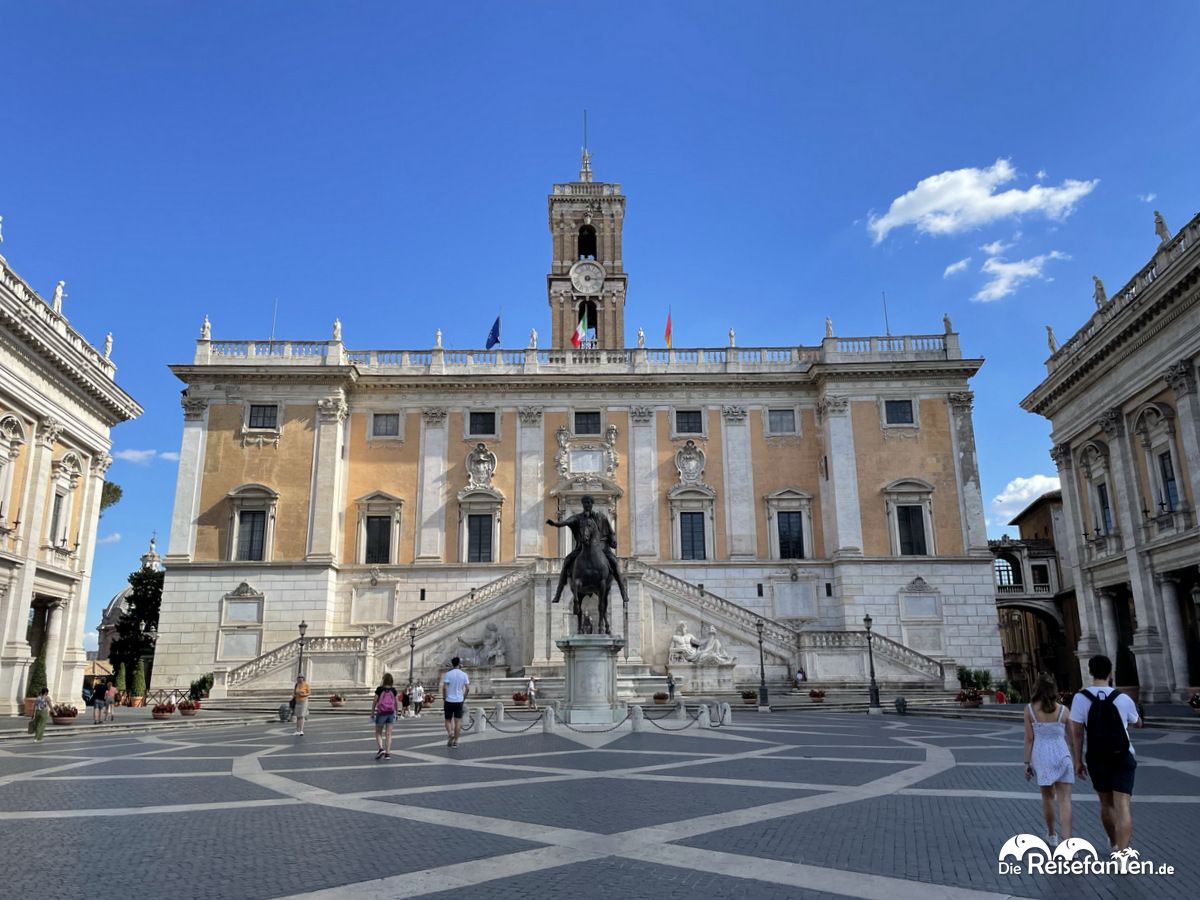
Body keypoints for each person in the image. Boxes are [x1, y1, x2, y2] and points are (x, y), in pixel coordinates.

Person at [1069, 655, 1141, 857]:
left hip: (1097, 757)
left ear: (1090, 672)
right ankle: (1124, 856)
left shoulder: (1080, 698)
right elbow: (1137, 722)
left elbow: (1076, 733)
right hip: (1123, 755)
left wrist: (1077, 760)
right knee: (1123, 805)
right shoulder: (1123, 698)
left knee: (1106, 803)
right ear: (1111, 673)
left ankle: (1115, 844)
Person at [546, 495, 629, 606]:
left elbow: (610, 532)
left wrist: (613, 540)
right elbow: (566, 522)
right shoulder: (578, 518)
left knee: (614, 562)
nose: (587, 505)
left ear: (592, 504)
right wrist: (555, 524)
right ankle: (558, 593)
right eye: (585, 503)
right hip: (582, 547)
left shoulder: (601, 517)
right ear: (583, 504)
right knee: (567, 561)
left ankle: (623, 592)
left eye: (589, 502)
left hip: (602, 547)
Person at [1023, 674, 1075, 848]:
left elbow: (1029, 739)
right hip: (1062, 754)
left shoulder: (1030, 710)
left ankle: (1052, 834)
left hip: (1041, 756)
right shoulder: (1064, 711)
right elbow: (1072, 739)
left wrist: (1026, 763)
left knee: (1047, 798)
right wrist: (1077, 760)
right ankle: (1068, 842)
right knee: (1065, 801)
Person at [442, 656, 470, 749]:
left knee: (448, 720)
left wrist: (444, 697)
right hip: (459, 700)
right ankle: (456, 741)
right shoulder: (464, 674)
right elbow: (467, 688)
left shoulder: (448, 674)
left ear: (452, 664)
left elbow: (444, 688)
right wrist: (463, 698)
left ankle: (450, 734)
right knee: (458, 721)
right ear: (459, 663)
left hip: (449, 700)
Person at [372, 672, 398, 760]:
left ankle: (381, 749)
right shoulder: (393, 690)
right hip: (391, 713)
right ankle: (388, 753)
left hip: (381, 713)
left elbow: (374, 701)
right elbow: (396, 702)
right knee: (389, 734)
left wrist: (372, 713)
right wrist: (396, 713)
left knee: (378, 732)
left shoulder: (379, 689)